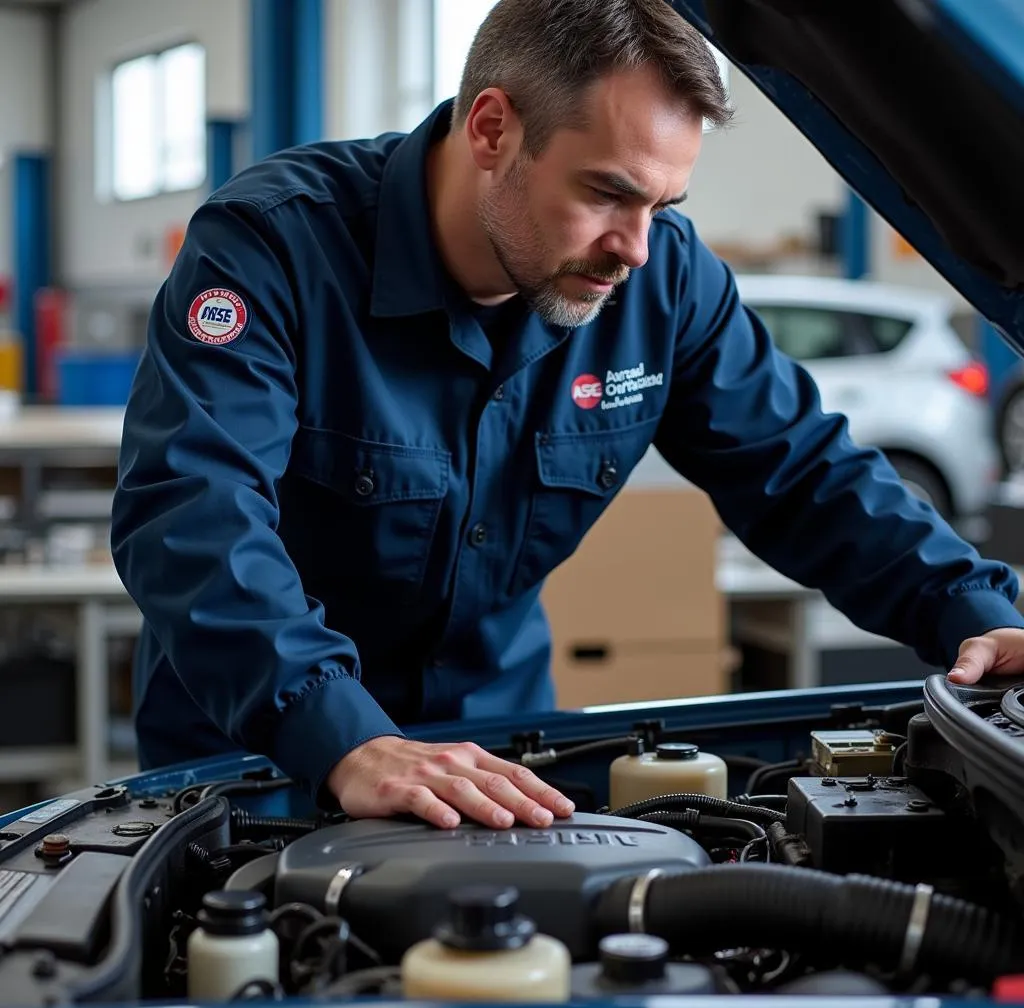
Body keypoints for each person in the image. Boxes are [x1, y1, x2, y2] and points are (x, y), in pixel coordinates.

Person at [111, 0, 1024, 833]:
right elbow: (194, 510)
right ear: (494, 129)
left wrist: (974, 615)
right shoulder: (274, 247)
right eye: (606, 193)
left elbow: (808, 474)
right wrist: (337, 731)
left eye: (663, 205)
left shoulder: (661, 277)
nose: (633, 246)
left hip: (498, 755)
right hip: (256, 755)